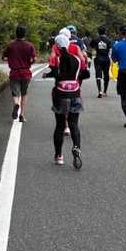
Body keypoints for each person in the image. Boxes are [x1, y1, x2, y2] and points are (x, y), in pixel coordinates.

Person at [46, 29, 88, 169]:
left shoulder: (57, 60)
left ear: (57, 46)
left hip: (60, 94)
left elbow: (54, 73)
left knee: (60, 126)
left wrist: (48, 75)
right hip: (75, 93)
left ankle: (59, 156)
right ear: (69, 43)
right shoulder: (77, 59)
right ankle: (76, 147)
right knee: (74, 125)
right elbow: (85, 73)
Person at [3, 25, 37, 122]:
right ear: (24, 34)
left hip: (14, 73)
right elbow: (34, 58)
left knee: (15, 92)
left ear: (16, 34)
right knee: (24, 93)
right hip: (26, 73)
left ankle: (16, 104)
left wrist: (12, 60)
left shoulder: (10, 45)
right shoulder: (29, 45)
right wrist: (30, 63)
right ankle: (22, 115)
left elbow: (4, 57)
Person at [92, 29, 112, 97]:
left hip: (98, 58)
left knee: (98, 75)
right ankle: (105, 92)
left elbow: (92, 46)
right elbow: (110, 50)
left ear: (98, 32)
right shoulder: (108, 40)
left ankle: (99, 91)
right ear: (105, 32)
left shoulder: (95, 39)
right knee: (106, 75)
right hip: (106, 59)